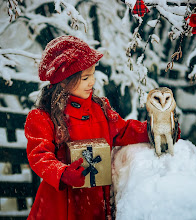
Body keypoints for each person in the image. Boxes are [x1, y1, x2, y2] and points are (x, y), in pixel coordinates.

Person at [25, 35, 151, 220]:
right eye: (85, 78)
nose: (92, 82)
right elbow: (39, 156)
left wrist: (155, 129)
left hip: (96, 205)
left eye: (92, 75)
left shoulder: (101, 109)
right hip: (61, 206)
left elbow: (123, 130)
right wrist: (62, 173)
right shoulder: (43, 117)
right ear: (64, 81)